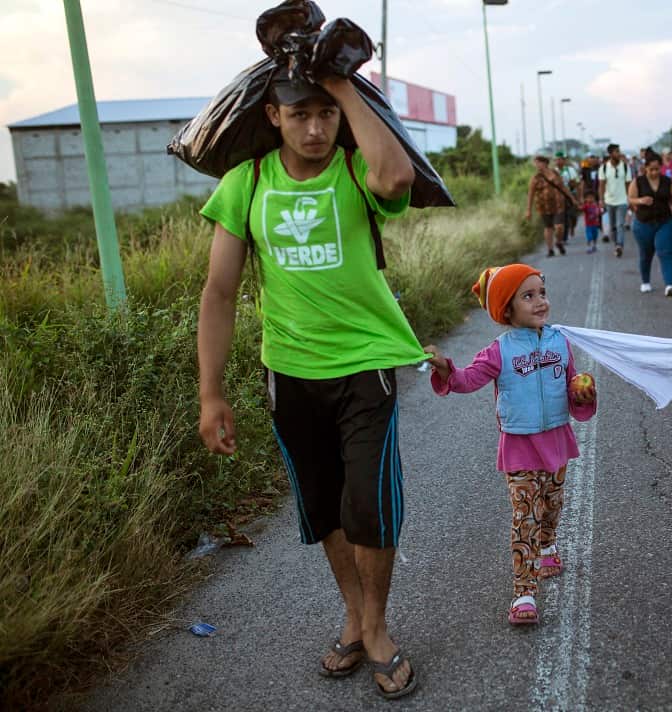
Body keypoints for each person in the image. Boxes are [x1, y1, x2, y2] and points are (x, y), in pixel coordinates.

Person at [197, 68, 420, 698]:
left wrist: (343, 87)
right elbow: (219, 290)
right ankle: (353, 613)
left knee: (368, 504)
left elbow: (398, 179)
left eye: (327, 113)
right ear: (273, 116)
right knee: (324, 504)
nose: (316, 128)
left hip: (365, 364)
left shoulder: (356, 170)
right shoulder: (246, 184)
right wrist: (210, 393)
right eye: (301, 114)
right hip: (289, 371)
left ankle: (376, 628)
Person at [424, 264, 597, 625]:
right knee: (524, 517)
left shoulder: (559, 342)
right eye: (528, 296)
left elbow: (570, 385)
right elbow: (468, 379)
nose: (540, 302)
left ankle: (548, 543)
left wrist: (581, 393)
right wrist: (444, 367)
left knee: (552, 505)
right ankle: (524, 593)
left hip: (556, 440)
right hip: (519, 446)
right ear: (507, 308)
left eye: (542, 293)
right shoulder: (498, 351)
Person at [628, 149, 672, 296]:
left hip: (665, 222)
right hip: (643, 223)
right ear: (645, 168)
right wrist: (640, 200)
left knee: (665, 252)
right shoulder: (638, 182)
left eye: (657, 169)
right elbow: (630, 199)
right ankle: (645, 281)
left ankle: (669, 284)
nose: (654, 172)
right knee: (646, 254)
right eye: (651, 169)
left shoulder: (668, 182)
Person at [526, 155, 570, 257]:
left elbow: (563, 187)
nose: (537, 165)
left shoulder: (555, 173)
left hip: (558, 204)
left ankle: (559, 242)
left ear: (545, 163)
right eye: (535, 163)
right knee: (548, 227)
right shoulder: (535, 178)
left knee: (559, 227)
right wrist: (528, 210)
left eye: (538, 162)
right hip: (544, 206)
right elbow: (531, 194)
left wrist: (572, 199)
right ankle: (550, 249)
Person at [598, 143, 631, 256]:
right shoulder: (604, 168)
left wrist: (630, 199)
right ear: (611, 153)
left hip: (622, 201)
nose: (619, 153)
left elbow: (628, 184)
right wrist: (601, 200)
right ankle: (616, 244)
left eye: (619, 151)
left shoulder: (625, 167)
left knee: (620, 224)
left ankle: (619, 245)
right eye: (616, 151)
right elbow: (601, 185)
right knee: (612, 227)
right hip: (609, 201)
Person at [555, 152, 581, 239]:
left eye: (561, 159)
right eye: (557, 159)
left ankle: (572, 227)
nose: (559, 161)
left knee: (573, 215)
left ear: (564, 160)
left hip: (571, 195)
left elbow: (577, 183)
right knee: (564, 216)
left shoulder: (570, 170)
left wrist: (579, 197)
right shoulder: (554, 171)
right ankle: (564, 236)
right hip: (559, 196)